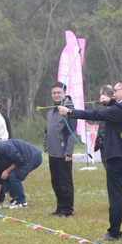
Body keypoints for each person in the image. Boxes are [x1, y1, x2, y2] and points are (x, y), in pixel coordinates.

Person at [59, 79, 122, 241]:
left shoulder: (120, 109)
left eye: (116, 91)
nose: (114, 94)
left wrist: (70, 112)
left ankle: (114, 232)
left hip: (117, 159)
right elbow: (117, 107)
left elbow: (96, 114)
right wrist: (110, 101)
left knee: (116, 197)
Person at [94, 84, 122, 214]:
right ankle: (117, 204)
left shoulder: (115, 108)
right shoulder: (104, 109)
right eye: (100, 95)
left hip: (113, 149)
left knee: (116, 178)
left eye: (103, 94)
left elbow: (114, 108)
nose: (100, 97)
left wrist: (109, 102)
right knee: (111, 177)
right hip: (104, 147)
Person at [0, 139, 43, 210]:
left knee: (13, 175)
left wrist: (7, 170)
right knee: (4, 176)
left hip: (32, 157)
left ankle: (21, 202)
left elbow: (19, 160)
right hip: (23, 159)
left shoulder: (4, 148)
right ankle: (14, 200)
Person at [44, 82, 76, 217]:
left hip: (63, 153)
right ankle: (60, 207)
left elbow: (72, 133)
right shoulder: (51, 110)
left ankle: (67, 210)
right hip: (53, 152)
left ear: (64, 93)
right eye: (54, 93)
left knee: (64, 182)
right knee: (55, 182)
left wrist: (68, 152)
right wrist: (45, 145)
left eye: (58, 92)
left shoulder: (69, 110)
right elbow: (47, 130)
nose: (56, 95)